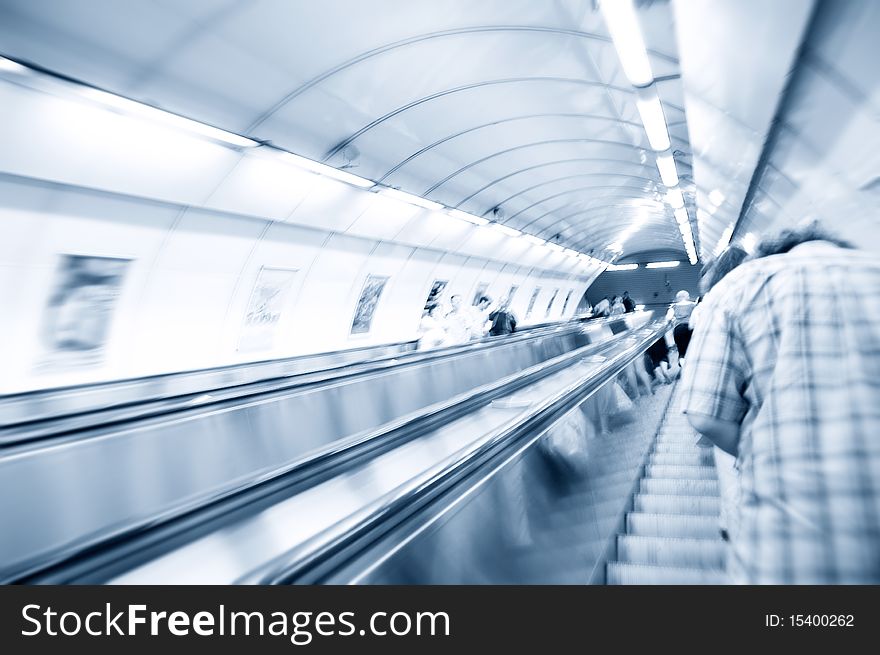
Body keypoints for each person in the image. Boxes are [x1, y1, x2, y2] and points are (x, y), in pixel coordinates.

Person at [680, 223, 880, 584]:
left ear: (771, 253)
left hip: (788, 552)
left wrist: (768, 452)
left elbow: (705, 415)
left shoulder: (739, 287)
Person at [665, 290, 696, 360]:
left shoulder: (674, 307)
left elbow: (668, 318)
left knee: (682, 352)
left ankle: (682, 364)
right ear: (687, 296)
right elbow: (697, 318)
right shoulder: (693, 305)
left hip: (679, 329)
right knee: (692, 350)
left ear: (678, 298)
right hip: (691, 328)